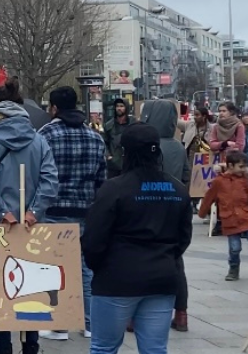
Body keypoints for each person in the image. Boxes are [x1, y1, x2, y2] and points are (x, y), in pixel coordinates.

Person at [83, 123, 193, 354]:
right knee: (154, 349)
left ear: (125, 152)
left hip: (116, 279)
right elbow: (183, 238)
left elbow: (94, 239)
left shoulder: (113, 189)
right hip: (161, 278)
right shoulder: (177, 189)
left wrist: (100, 267)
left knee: (104, 348)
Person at [0, 79, 59, 354]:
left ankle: (3, 347)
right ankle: (31, 344)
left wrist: (1, 211)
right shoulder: (38, 140)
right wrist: (33, 212)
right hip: (31, 228)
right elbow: (50, 180)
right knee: (30, 285)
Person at [37, 87, 106, 341]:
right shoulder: (95, 137)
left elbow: (38, 174)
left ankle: (60, 325)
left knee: (54, 267)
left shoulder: (46, 135)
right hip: (85, 211)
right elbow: (102, 180)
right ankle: (89, 324)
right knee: (86, 269)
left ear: (54, 108)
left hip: (54, 210)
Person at [140, 99, 192, 333]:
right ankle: (181, 314)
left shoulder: (146, 145)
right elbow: (185, 175)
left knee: (138, 261)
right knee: (176, 263)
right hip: (173, 205)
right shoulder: (178, 146)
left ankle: (135, 316)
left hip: (145, 206)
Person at [199, 151, 248, 282]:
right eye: (241, 166)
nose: (243, 169)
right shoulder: (219, 182)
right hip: (230, 219)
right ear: (230, 166)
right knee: (235, 248)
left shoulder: (245, 180)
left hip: (246, 217)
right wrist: (202, 212)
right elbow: (209, 198)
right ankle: (233, 268)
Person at [104, 98, 134, 178]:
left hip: (130, 163)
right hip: (114, 165)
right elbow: (104, 143)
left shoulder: (133, 124)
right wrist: (108, 156)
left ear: (126, 108)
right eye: (117, 106)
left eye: (121, 106)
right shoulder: (108, 125)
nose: (119, 108)